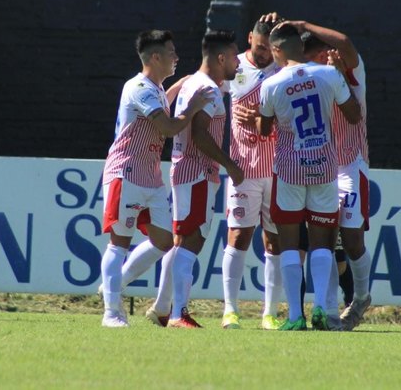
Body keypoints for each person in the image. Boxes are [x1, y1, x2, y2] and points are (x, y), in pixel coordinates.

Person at [100, 29, 214, 328]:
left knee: (163, 241)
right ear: (155, 56)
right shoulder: (139, 87)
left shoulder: (156, 88)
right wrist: (193, 107)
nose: (176, 57)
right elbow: (167, 127)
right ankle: (112, 312)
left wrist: (180, 84)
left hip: (150, 178)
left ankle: (115, 283)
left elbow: (163, 100)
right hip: (125, 174)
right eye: (171, 52)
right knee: (119, 243)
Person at [258, 22, 361, 331]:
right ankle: (319, 308)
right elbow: (354, 115)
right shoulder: (329, 74)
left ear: (276, 50)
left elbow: (264, 130)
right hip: (325, 167)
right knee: (322, 243)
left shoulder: (271, 85)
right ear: (301, 48)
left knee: (289, 244)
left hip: (289, 169)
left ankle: (294, 316)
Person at [145, 29, 245, 329]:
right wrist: (231, 165)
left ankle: (163, 308)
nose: (238, 64)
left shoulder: (196, 83)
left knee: (180, 242)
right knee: (192, 241)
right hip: (197, 174)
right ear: (220, 57)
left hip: (188, 173)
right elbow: (200, 137)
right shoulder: (208, 90)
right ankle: (178, 313)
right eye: (234, 57)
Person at [300, 22, 372, 331]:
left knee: (353, 239)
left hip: (351, 166)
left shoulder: (349, 72)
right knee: (324, 240)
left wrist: (301, 24)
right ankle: (328, 310)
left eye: (308, 59)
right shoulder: (306, 81)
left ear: (323, 54)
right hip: (322, 168)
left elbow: (346, 41)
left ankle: (362, 297)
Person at [221, 17, 284, 330]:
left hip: (276, 170)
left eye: (268, 50)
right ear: (249, 39)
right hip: (242, 169)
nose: (263, 56)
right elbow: (203, 81)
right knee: (238, 236)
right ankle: (230, 311)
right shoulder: (234, 68)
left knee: (275, 240)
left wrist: (261, 116)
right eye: (259, 48)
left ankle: (269, 314)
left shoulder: (282, 70)